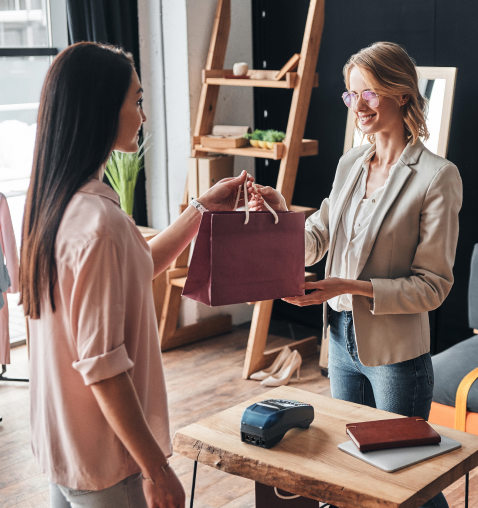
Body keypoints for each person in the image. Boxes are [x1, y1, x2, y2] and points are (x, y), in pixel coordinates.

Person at [20, 41, 251, 508]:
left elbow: (138, 266)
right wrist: (157, 469)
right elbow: (104, 369)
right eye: (138, 101)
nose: (143, 116)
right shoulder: (99, 224)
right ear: (104, 109)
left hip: (65, 450)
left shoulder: (53, 203)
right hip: (112, 462)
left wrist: (201, 209)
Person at [251, 41, 462, 508]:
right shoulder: (350, 163)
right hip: (341, 341)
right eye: (351, 95)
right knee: (351, 469)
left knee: (404, 481)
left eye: (368, 93)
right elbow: (318, 237)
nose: (357, 106)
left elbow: (434, 287)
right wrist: (282, 216)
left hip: (397, 355)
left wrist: (346, 286)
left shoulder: (436, 176)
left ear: (401, 93)